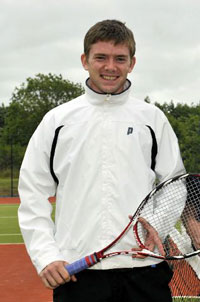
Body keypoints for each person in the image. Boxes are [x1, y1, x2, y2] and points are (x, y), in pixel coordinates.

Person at [18, 19, 185, 302]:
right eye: (101, 58)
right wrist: (46, 256)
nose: (111, 67)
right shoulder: (57, 121)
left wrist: (158, 222)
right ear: (85, 60)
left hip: (144, 270)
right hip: (79, 275)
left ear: (132, 63)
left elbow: (174, 182)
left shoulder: (152, 119)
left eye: (120, 58)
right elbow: (33, 193)